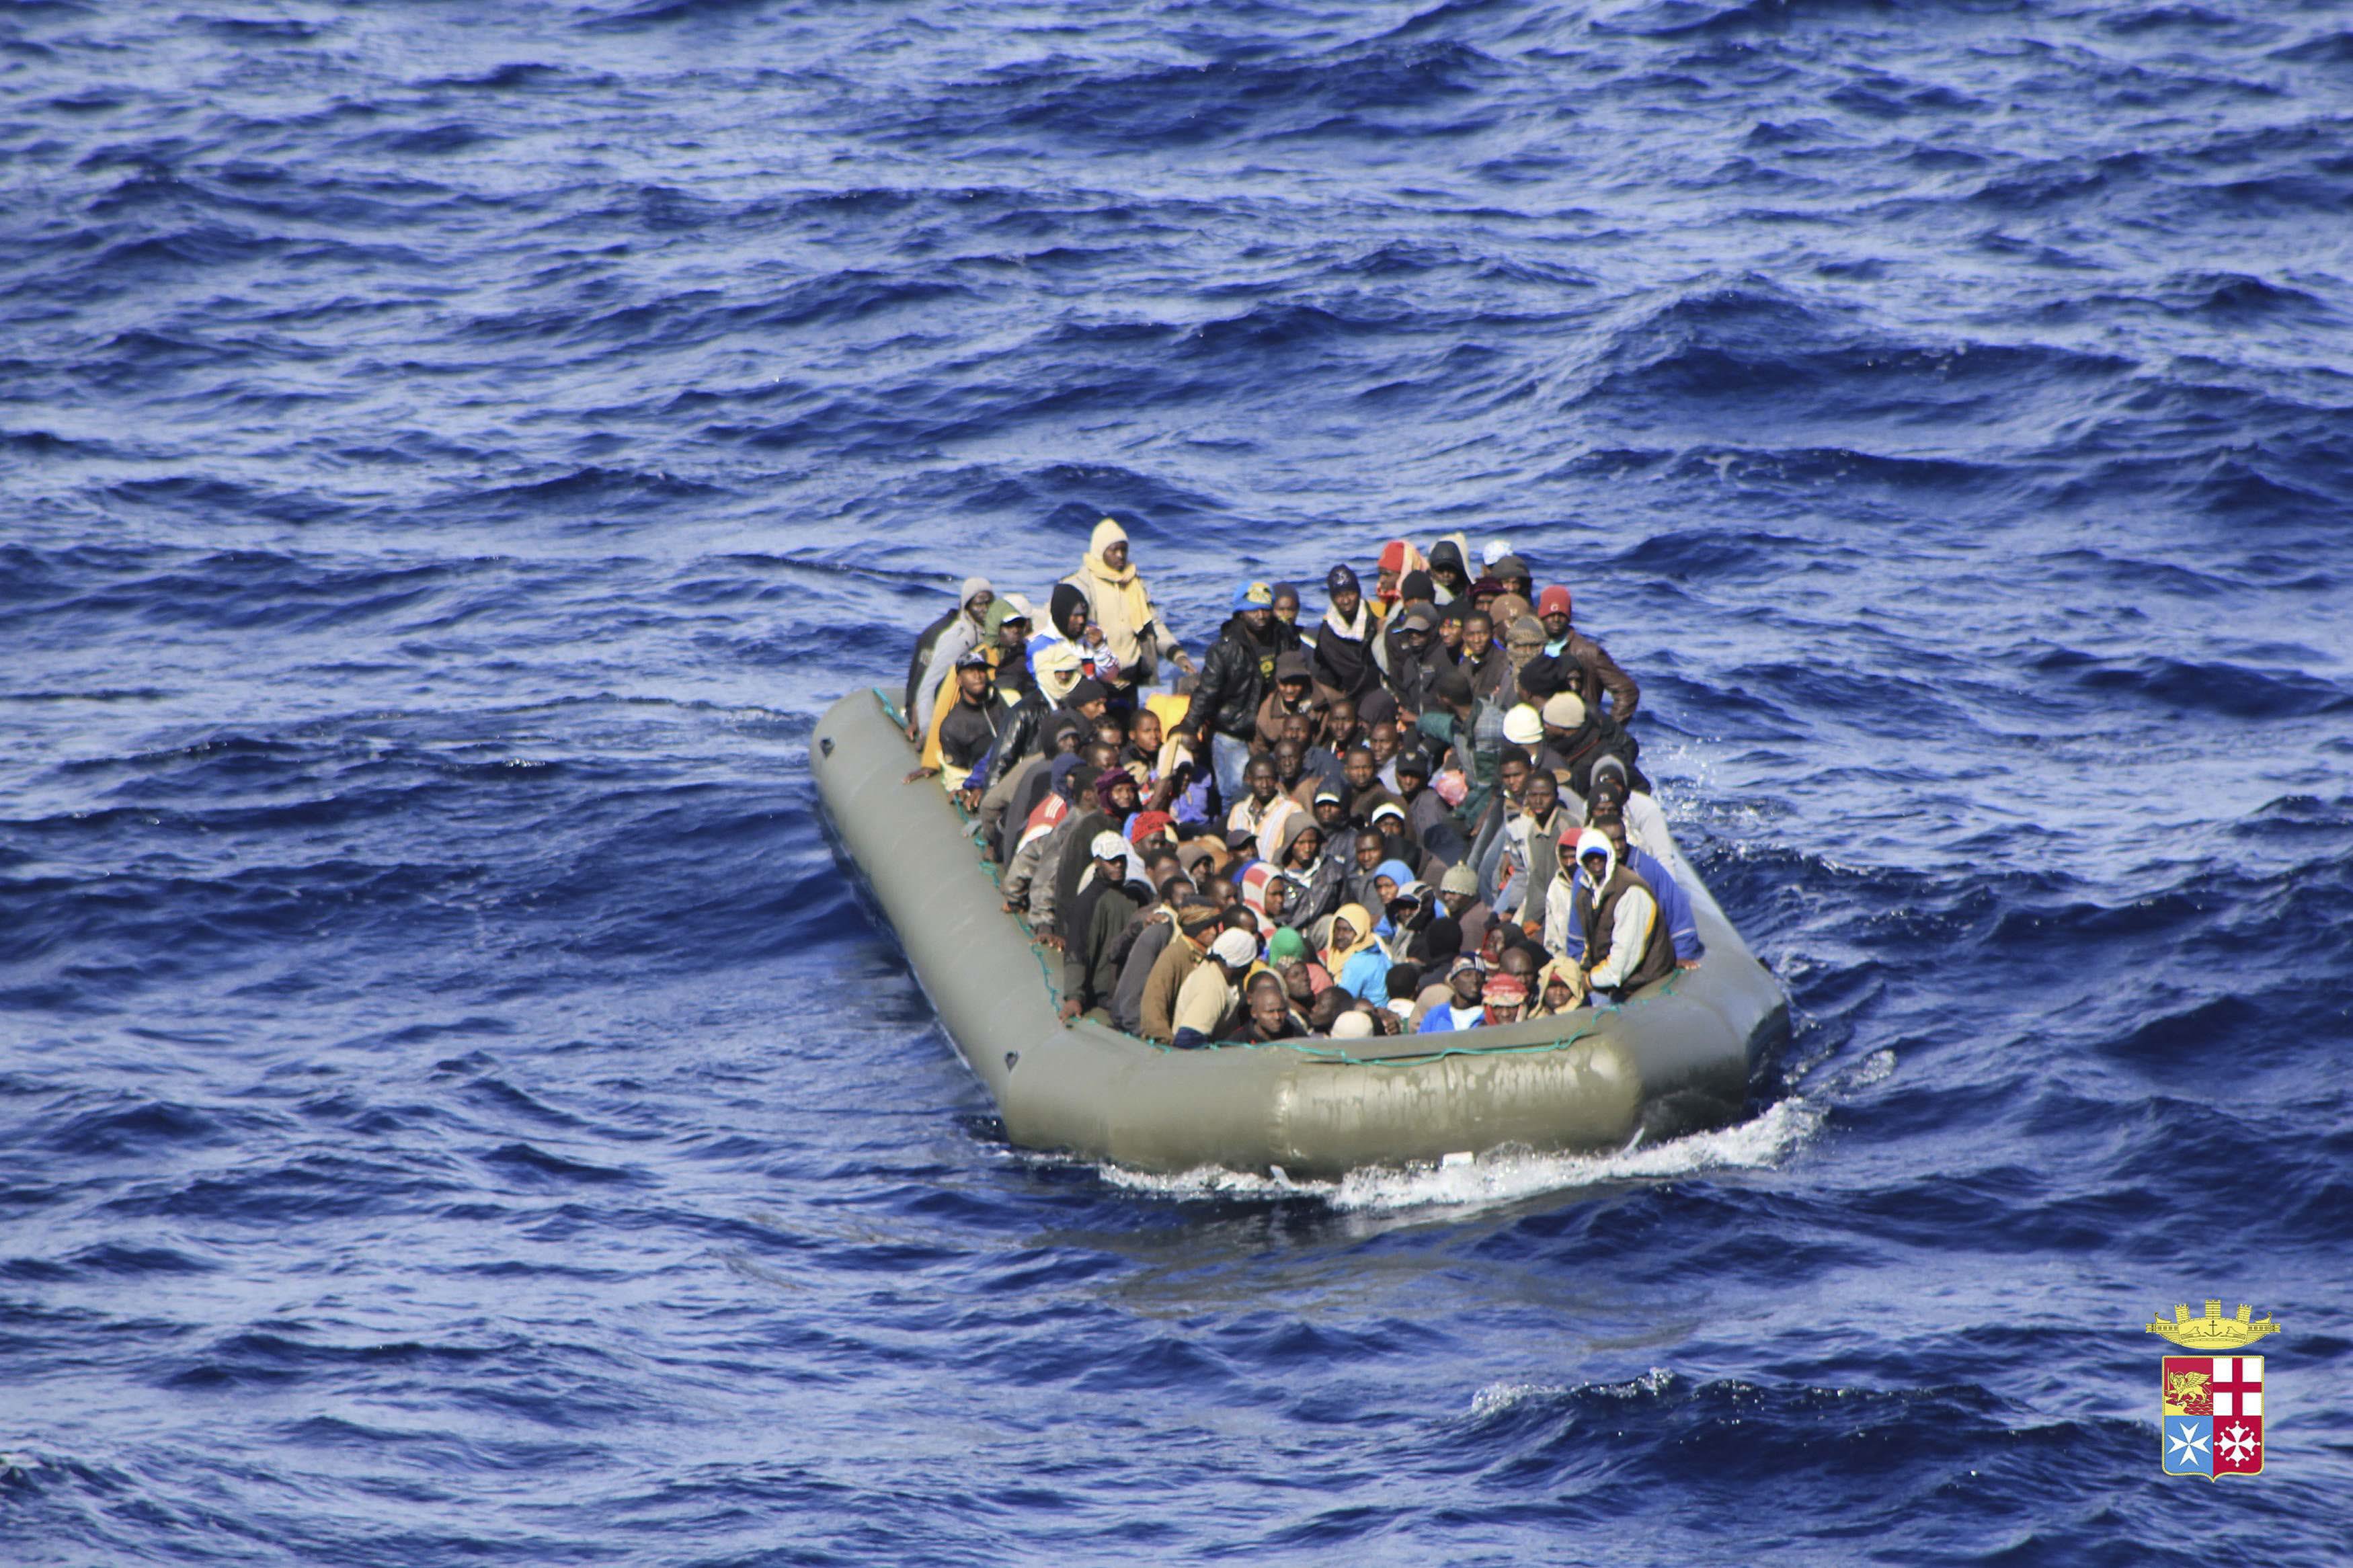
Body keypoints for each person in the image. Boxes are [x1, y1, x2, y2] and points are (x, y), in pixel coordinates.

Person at [1179, 581, 1299, 802]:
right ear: (1240, 614)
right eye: (1253, 610)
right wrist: (1187, 727)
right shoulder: (1224, 648)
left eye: (1265, 609)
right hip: (1232, 730)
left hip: (1270, 728)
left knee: (1273, 792)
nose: (1261, 615)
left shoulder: (1283, 636)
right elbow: (1207, 692)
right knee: (1234, 794)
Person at [1059, 517, 1193, 695]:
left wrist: (1177, 655)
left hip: (1133, 677)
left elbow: (1153, 625)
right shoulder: (1079, 585)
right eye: (1114, 550)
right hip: (1097, 679)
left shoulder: (1134, 583)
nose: (1120, 555)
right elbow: (1065, 634)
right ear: (1100, 551)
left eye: (1124, 549)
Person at [1552, 827, 1675, 1003]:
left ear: (1609, 855)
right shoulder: (1586, 891)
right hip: (1609, 981)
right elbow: (1589, 943)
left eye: (1600, 856)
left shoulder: (1631, 892)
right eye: (1589, 857)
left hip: (1642, 983)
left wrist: (1587, 981)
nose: (1595, 861)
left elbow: (1621, 965)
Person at [1060, 832, 1148, 1022]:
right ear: (1098, 862)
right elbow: (1077, 949)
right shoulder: (1087, 903)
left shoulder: (1132, 897)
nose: (1119, 865)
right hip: (1104, 992)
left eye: (1122, 860)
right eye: (1112, 861)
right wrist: (1074, 997)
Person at [1520, 585, 1639, 721]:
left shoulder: (1589, 653)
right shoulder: (1532, 647)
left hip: (1579, 730)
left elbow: (1628, 691)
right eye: (1551, 614)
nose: (1556, 619)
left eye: (1562, 614)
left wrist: (1609, 731)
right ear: (1541, 615)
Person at [904, 577, 993, 737]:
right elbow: (928, 685)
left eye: (989, 603)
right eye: (979, 604)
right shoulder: (959, 639)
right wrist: (927, 731)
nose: (985, 609)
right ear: (967, 606)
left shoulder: (988, 634)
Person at [1171, 928, 1258, 1048]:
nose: (1250, 969)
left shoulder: (1226, 978)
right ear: (1239, 964)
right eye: (1249, 964)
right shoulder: (1212, 987)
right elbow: (1187, 1039)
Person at [1312, 565, 1384, 706]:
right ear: (1332, 598)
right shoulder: (1327, 632)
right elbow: (1325, 670)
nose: (1346, 601)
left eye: (1350, 593)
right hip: (1346, 698)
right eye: (1339, 596)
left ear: (1359, 592)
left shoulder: (1377, 618)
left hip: (1378, 691)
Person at [1321, 903, 1390, 1006]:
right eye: (1337, 930)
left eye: (1346, 930)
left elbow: (1342, 1000)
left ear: (1360, 931)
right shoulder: (1375, 948)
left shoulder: (1358, 961)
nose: (1339, 936)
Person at [1255, 651, 1321, 750]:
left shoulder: (1323, 702)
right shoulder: (1266, 715)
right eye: (1284, 684)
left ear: (1304, 681)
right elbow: (1259, 749)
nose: (1290, 690)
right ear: (1277, 681)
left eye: (1295, 684)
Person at [1416, 958, 1491, 1033]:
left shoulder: (1490, 1014)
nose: (1475, 980)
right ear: (1454, 980)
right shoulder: (1437, 1014)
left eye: (1480, 976)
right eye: (1467, 975)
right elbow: (1420, 1043)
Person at [1238, 971, 1309, 1042]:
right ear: (1254, 1012)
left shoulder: (1296, 1034)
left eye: (1281, 1010)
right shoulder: (1239, 1042)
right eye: (1270, 1012)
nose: (1277, 1017)